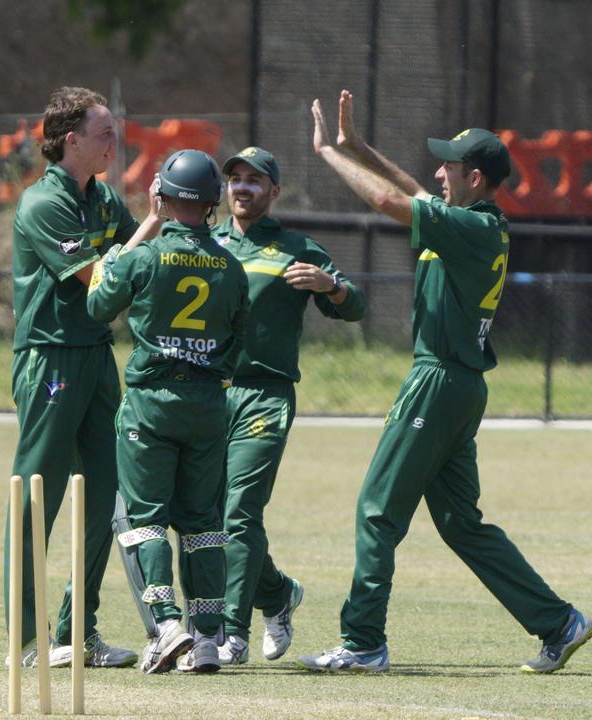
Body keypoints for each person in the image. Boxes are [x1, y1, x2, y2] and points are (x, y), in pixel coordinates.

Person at [297, 90, 592, 674]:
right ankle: (558, 622)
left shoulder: (473, 228)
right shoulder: (471, 222)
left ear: (476, 179)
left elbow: (390, 201)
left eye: (450, 166)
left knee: (377, 511)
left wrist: (327, 155)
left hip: (439, 380)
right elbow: (410, 191)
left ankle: (362, 643)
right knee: (461, 523)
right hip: (458, 383)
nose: (438, 172)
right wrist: (359, 146)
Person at [6, 86, 160, 669]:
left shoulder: (99, 197)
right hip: (51, 358)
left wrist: (159, 230)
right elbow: (99, 277)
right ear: (70, 141)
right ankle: (27, 639)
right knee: (35, 495)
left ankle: (77, 633)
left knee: (103, 494)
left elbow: (136, 256)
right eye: (104, 132)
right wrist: (149, 225)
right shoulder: (43, 203)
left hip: (97, 356)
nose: (113, 141)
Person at [87, 149, 249, 674]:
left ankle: (166, 624)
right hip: (208, 404)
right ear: (211, 203)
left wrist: (113, 258)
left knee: (145, 519)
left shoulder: (144, 256)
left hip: (153, 403)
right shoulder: (231, 266)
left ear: (164, 197)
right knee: (203, 523)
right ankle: (206, 639)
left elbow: (97, 306)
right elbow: (240, 339)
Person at [211, 146, 366, 666]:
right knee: (207, 515)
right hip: (207, 394)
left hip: (265, 394)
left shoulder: (295, 247)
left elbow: (355, 306)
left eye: (256, 179)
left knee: (239, 512)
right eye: (235, 178)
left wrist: (334, 287)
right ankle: (276, 594)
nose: (243, 187)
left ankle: (231, 634)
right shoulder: (205, 244)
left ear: (274, 191)